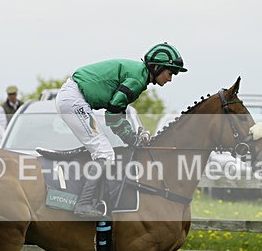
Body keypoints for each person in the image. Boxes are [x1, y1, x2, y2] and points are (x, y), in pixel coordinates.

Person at [55, 42, 187, 218]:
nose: (170, 78)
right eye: (170, 73)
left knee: (101, 149)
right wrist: (132, 139)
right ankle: (84, 204)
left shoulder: (138, 74)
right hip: (74, 100)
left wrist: (131, 135)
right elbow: (113, 114)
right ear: (156, 67)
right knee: (104, 152)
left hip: (73, 97)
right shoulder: (137, 79)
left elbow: (118, 112)